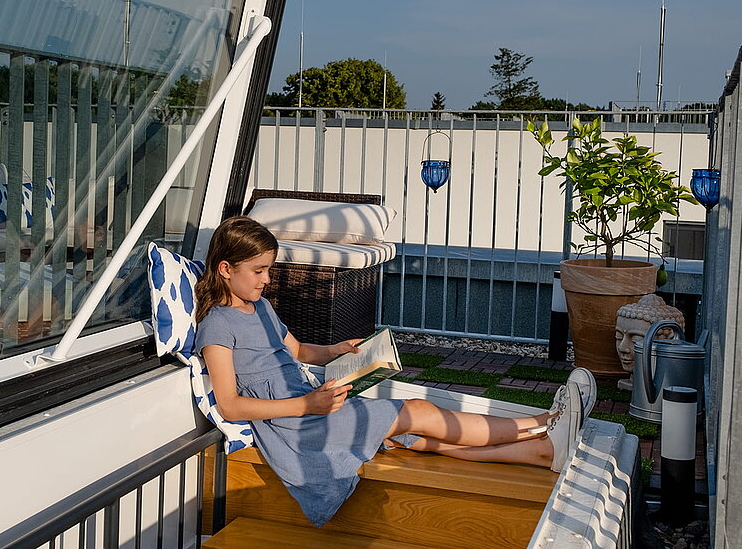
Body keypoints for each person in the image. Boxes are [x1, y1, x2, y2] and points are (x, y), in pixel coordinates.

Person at [195, 216, 594, 527]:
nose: (267, 279)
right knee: (417, 412)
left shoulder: (259, 306)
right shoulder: (218, 325)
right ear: (226, 268)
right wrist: (307, 404)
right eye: (259, 270)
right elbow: (230, 405)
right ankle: (543, 422)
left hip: (313, 407)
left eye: (270, 270)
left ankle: (541, 451)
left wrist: (336, 350)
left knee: (411, 435)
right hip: (298, 426)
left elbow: (297, 350)